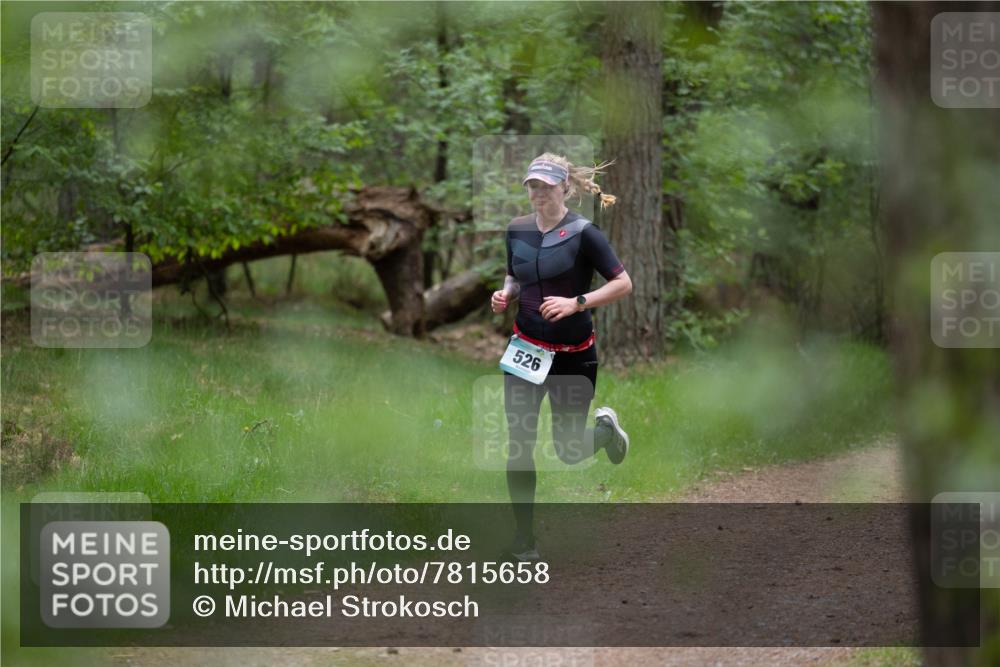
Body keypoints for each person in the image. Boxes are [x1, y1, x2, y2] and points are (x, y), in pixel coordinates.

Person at [491, 152, 633, 562]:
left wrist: (577, 303)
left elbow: (623, 284)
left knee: (568, 449)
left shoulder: (585, 233)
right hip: (525, 351)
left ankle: (605, 432)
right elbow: (516, 275)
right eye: (532, 185)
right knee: (519, 444)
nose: (538, 193)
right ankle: (524, 542)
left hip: (573, 355)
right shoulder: (517, 229)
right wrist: (506, 294)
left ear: (565, 188)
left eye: (546, 186)